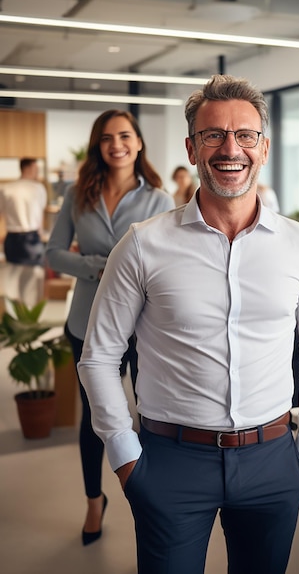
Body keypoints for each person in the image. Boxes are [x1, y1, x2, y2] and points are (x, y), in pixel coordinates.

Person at [77, 75, 299, 574]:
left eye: (244, 135)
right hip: (170, 462)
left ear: (263, 147)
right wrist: (125, 456)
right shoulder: (141, 244)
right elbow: (99, 356)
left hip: (273, 460)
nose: (229, 148)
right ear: (192, 148)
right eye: (213, 134)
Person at [45, 110, 174, 547]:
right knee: (94, 418)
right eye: (106, 138)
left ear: (139, 143)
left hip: (145, 326)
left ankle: (153, 495)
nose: (115, 144)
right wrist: (98, 267)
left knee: (149, 413)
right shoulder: (76, 193)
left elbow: (168, 262)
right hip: (88, 321)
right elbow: (53, 252)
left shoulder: (158, 198)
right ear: (97, 146)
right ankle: (93, 499)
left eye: (124, 136)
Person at [0, 157, 48, 306]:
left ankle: (13, 319)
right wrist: (42, 237)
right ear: (30, 168)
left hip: (12, 237)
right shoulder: (38, 188)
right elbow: (40, 218)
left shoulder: (5, 188)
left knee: (12, 280)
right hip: (31, 237)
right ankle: (29, 318)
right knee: (32, 282)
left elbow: (2, 215)